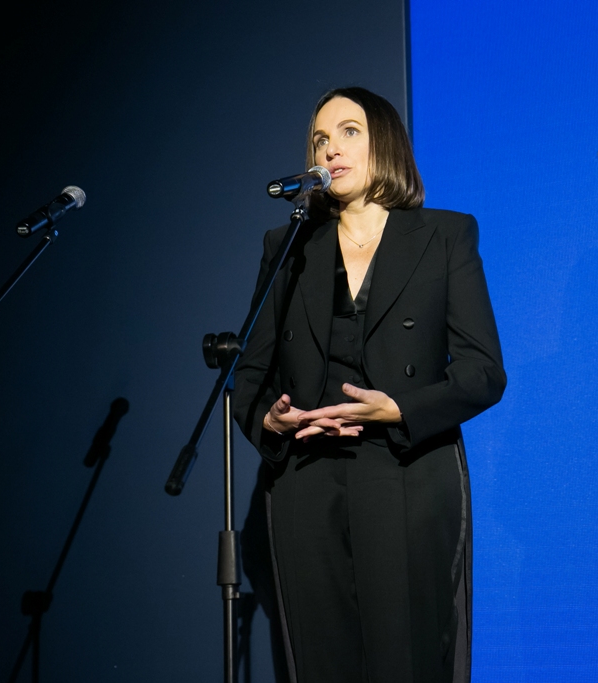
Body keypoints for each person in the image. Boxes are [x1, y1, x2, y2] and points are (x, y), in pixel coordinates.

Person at [234, 87, 505, 683]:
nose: (330, 149)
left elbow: (484, 372)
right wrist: (271, 421)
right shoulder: (288, 246)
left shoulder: (444, 235)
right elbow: (248, 377)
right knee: (322, 660)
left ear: (385, 142)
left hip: (405, 471)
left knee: (406, 657)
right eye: (320, 140)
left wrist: (398, 408)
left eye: (349, 132)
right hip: (306, 476)